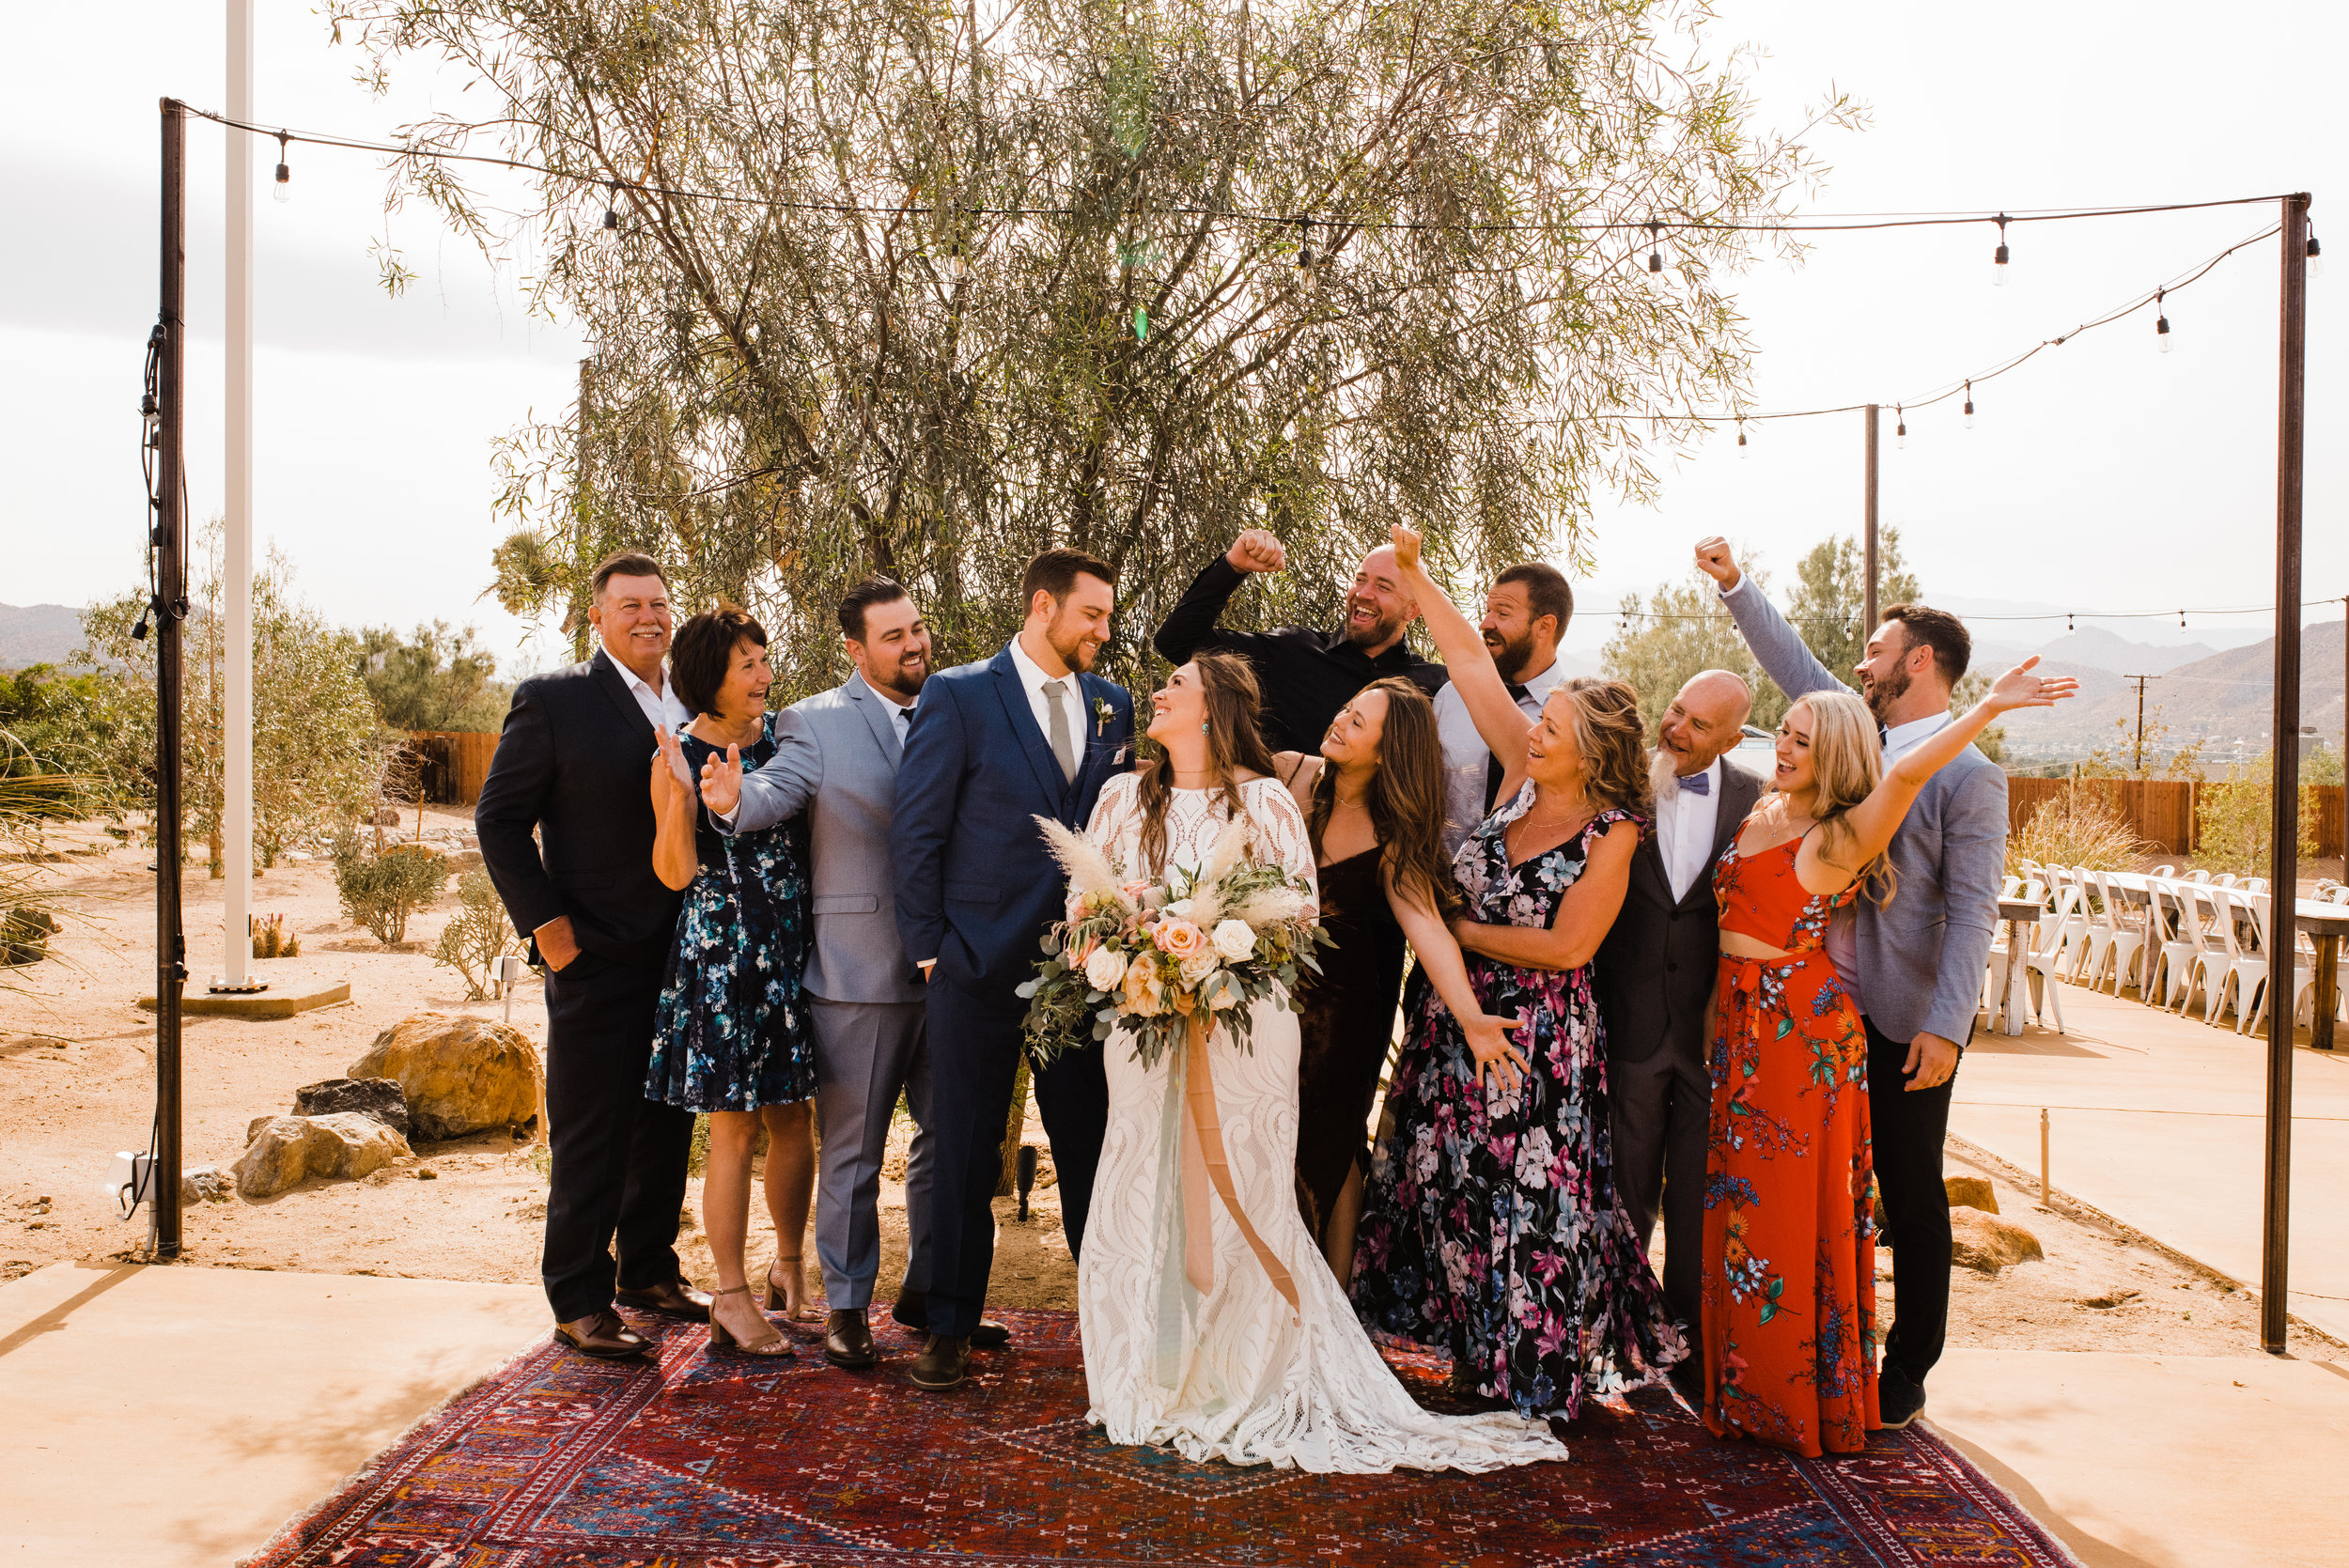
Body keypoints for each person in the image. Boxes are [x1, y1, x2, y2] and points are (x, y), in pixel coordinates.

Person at [1080, 651, 1565, 1474]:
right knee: (1141, 1178)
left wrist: (1476, 1018)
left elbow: (1301, 911)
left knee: (1255, 1181)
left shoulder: (1268, 799)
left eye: (1177, 685)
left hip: (1259, 1021)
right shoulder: (1125, 796)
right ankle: (1146, 1367)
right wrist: (1125, 939)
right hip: (1142, 1018)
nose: (1157, 691)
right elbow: (1083, 901)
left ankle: (1240, 1361)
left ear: (1212, 709)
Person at [1352, 526, 1686, 1421]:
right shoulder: (1520, 775)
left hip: (1538, 1038)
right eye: (1539, 721)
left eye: (1555, 727)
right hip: (1453, 1019)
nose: (1535, 730)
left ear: (1594, 750)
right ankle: (1467, 1356)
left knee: (1522, 1198)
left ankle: (1530, 1371)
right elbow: (1468, 663)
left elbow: (1570, 948)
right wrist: (1418, 581)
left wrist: (1457, 929)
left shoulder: (1614, 830)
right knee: (1450, 1183)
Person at [1699, 665, 2068, 1456]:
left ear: (1832, 752)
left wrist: (1988, 709)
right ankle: (1749, 1384)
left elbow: (1906, 770)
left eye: (1804, 737)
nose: (1787, 744)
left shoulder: (1841, 833)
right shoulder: (1765, 807)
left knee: (1793, 1218)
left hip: (1801, 1037)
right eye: (1785, 729)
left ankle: (1802, 1397)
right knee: (1742, 1212)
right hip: (1741, 1025)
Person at [890, 549, 1134, 1392]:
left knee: (1093, 1146)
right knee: (963, 1151)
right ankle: (949, 1325)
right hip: (973, 967)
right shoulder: (958, 695)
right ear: (1043, 606)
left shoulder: (1113, 707)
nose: (1105, 630)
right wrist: (932, 950)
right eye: (1092, 615)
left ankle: (1111, 1329)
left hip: (1083, 973)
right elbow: (915, 830)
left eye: (1108, 616)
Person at [697, 578, 943, 1372]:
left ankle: (938, 1298)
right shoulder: (813, 720)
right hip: (855, 971)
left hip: (955, 970)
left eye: (917, 629)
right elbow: (779, 789)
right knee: (855, 1155)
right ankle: (847, 1308)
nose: (912, 644)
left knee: (950, 1146)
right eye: (893, 635)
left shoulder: (957, 705)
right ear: (855, 648)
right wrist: (737, 800)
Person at [475, 551, 708, 1359]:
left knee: (665, 1122)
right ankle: (578, 1296)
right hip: (595, 957)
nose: (649, 617)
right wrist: (550, 932)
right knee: (591, 1130)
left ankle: (648, 1269)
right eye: (631, 605)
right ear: (597, 618)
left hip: (684, 957)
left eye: (659, 604)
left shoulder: (693, 702)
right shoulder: (555, 700)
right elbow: (498, 821)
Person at [1274, 678, 1524, 1284]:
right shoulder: (1284, 775)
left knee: (1329, 1144)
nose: (1339, 721)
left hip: (1339, 1012)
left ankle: (1333, 1304)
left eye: (1358, 722)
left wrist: (1472, 1018)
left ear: (1388, 751)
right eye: (1346, 708)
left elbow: (1427, 926)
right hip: (1257, 999)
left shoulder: (1395, 832)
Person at [647, 607, 818, 1358]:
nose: (763, 674)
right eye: (746, 663)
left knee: (795, 1117)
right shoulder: (675, 753)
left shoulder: (789, 737)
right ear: (709, 675)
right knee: (733, 1128)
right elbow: (675, 872)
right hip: (720, 955)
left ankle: (787, 1266)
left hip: (790, 945)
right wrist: (681, 798)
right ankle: (730, 1294)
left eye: (763, 660)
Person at [1591, 671, 1763, 1367]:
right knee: (1625, 1185)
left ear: (1730, 739)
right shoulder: (1624, 786)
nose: (1676, 729)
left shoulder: (1757, 800)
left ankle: (1689, 1341)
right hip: (1628, 1012)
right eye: (1675, 711)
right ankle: (1615, 1333)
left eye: (1697, 725)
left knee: (1696, 1191)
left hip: (1710, 1027)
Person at [1152, 528, 1446, 753]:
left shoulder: (1436, 689)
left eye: (1383, 586)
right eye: (1360, 580)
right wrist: (1234, 566)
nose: (1363, 593)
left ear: (1414, 608)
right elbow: (1177, 641)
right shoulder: (1291, 651)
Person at [1432, 563, 1575, 856]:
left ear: (1545, 626)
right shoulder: (1452, 696)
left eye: (1502, 613)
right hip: (1436, 883)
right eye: (1487, 611)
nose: (1485, 623)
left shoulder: (1578, 714)